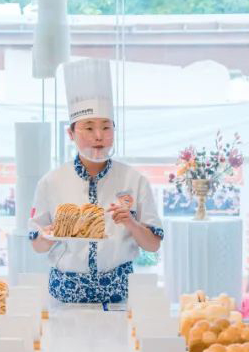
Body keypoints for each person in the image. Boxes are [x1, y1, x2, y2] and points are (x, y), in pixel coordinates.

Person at [30, 58, 162, 304]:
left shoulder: (135, 180)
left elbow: (153, 244)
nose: (99, 136)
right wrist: (48, 235)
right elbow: (37, 246)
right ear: (70, 133)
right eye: (88, 128)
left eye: (106, 127)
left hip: (118, 296)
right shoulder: (51, 182)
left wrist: (132, 223)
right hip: (64, 295)